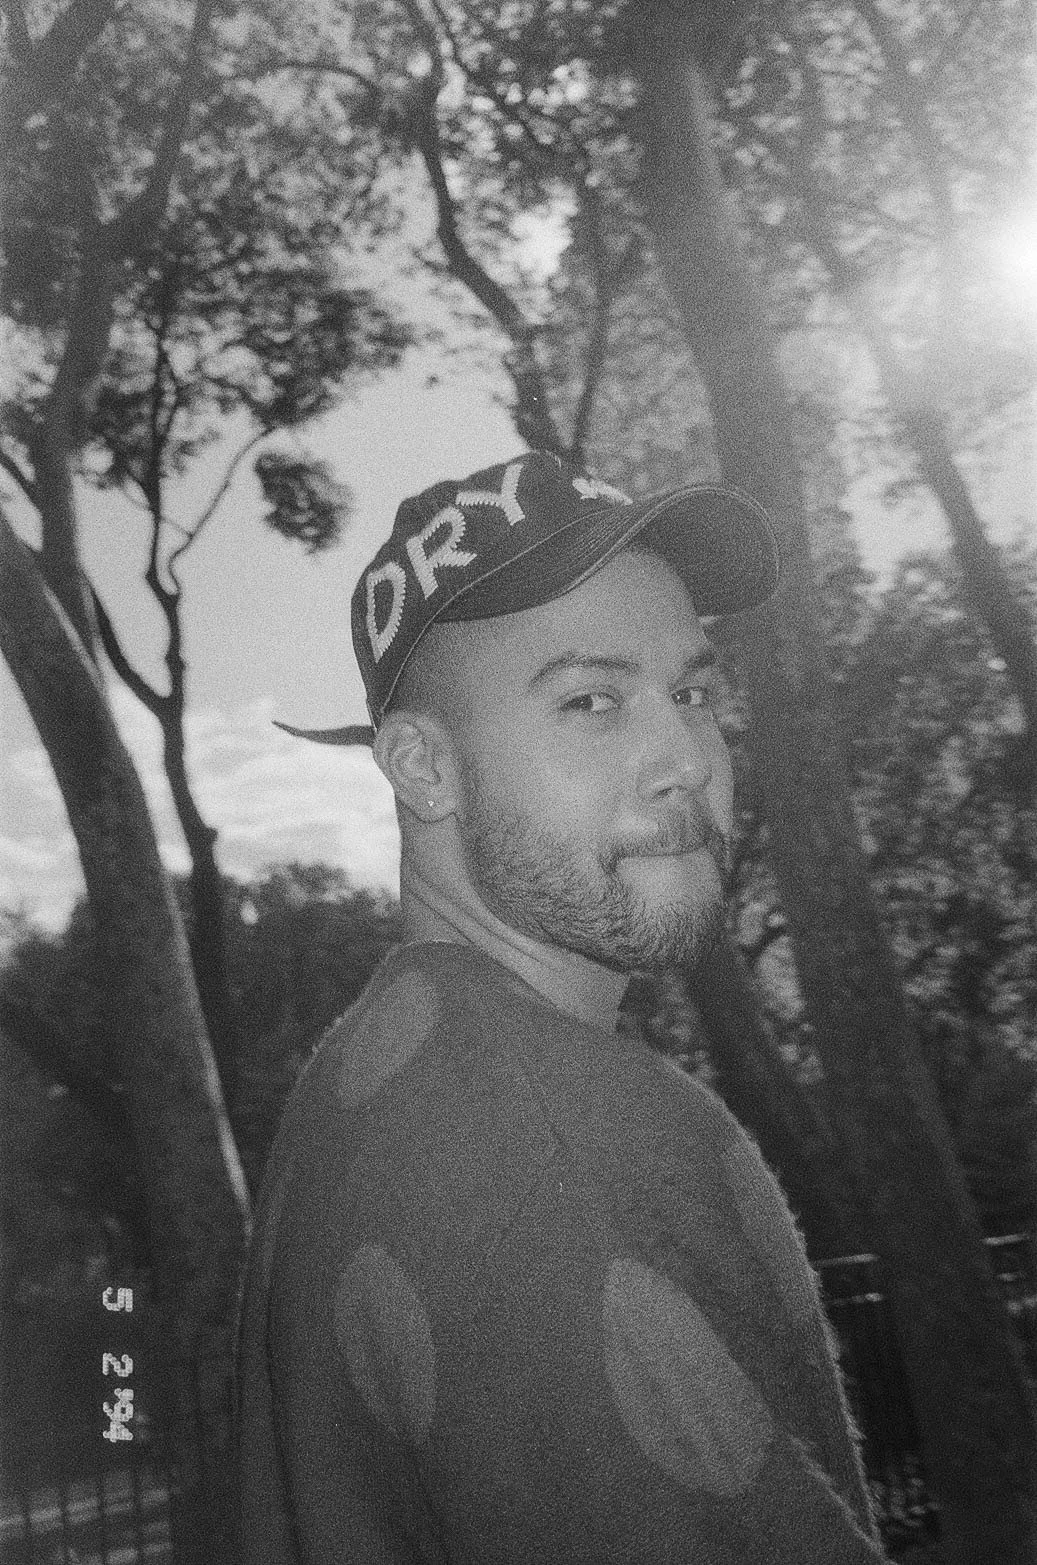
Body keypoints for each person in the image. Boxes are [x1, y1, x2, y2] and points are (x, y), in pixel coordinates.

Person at [234, 450, 887, 1563]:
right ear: (422, 767)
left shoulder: (372, 1077)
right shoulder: (554, 1141)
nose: (684, 756)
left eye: (690, 690)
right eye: (592, 700)